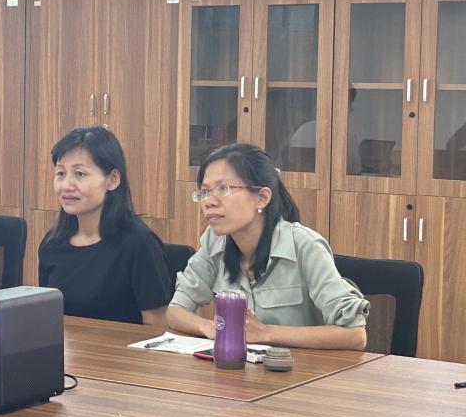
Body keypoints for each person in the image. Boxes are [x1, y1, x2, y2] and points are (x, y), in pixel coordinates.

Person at [167, 143, 369, 350]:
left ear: (262, 197)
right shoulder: (214, 241)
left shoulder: (305, 245)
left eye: (222, 189)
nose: (208, 202)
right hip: (240, 367)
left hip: (300, 367)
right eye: (204, 192)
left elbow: (355, 335)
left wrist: (265, 333)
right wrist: (209, 327)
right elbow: (175, 311)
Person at [38, 127, 172, 326]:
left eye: (80, 173)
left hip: (125, 347)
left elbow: (157, 328)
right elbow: (48, 319)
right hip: (67, 346)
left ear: (112, 179)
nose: (66, 185)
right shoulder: (52, 244)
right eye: (60, 173)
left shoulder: (139, 243)